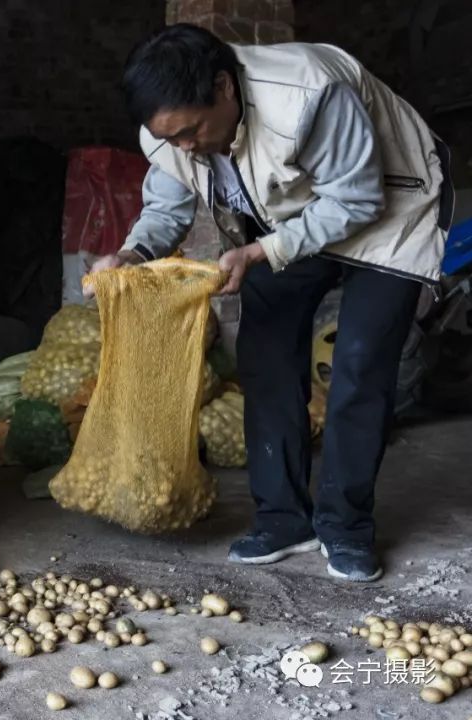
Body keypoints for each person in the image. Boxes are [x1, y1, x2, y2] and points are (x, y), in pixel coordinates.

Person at [89, 25, 452, 582]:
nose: (184, 147)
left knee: (361, 360)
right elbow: (166, 210)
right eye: (171, 139)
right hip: (300, 215)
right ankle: (283, 518)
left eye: (190, 132)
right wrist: (131, 255)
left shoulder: (308, 94)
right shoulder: (167, 135)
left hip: (391, 210)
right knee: (264, 346)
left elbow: (357, 200)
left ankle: (345, 526)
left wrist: (262, 250)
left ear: (224, 88)